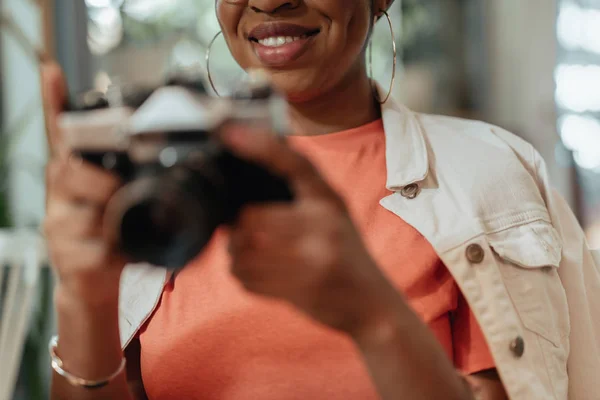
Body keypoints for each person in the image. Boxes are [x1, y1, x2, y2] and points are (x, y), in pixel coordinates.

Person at [43, 1, 600, 399]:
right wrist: (84, 302)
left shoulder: (487, 175)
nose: (268, 2)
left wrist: (372, 315)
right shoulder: (151, 186)